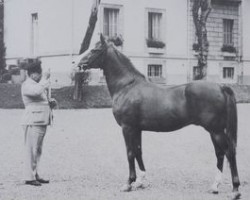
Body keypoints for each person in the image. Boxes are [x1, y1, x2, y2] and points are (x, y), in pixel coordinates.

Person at [20, 59, 56, 186]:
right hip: (32, 120)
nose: (40, 75)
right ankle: (29, 177)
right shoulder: (27, 84)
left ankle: (35, 174)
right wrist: (45, 80)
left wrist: (50, 103)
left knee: (38, 149)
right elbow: (36, 92)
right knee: (31, 149)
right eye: (39, 73)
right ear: (32, 73)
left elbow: (40, 98)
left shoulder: (37, 84)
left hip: (40, 120)